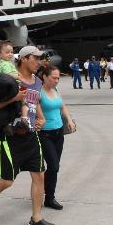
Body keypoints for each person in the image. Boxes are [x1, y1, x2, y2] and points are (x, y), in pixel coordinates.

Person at [0, 72, 56, 225]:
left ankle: (36, 218)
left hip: (30, 137)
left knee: (39, 175)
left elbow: (29, 104)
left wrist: (35, 119)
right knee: (7, 180)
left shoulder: (24, 84)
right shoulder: (4, 86)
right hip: (10, 139)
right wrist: (14, 99)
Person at [38, 65, 76, 210]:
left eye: (58, 78)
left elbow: (62, 106)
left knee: (54, 168)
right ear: (45, 77)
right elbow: (31, 110)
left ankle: (46, 194)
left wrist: (69, 120)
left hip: (59, 133)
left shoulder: (56, 90)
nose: (56, 80)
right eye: (54, 78)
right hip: (45, 134)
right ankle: (48, 197)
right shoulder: (39, 92)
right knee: (53, 166)